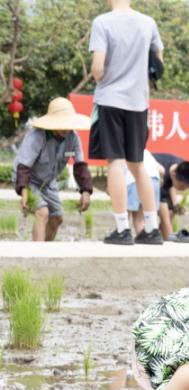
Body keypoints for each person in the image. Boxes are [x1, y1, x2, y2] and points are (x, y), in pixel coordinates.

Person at [88, 0, 164, 245]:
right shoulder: (148, 23)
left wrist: (106, 74)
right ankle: (152, 229)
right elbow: (158, 61)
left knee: (115, 163)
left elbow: (97, 69)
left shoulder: (102, 23)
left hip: (111, 99)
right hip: (138, 101)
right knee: (137, 164)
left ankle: (122, 229)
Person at [13, 97, 94, 242]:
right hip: (28, 179)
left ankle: (46, 250)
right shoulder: (36, 136)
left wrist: (86, 191)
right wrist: (24, 192)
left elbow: (80, 165)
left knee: (57, 218)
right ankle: (37, 255)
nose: (66, 128)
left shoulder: (73, 138)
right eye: (62, 124)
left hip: (49, 181)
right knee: (42, 212)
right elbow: (24, 167)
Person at [151, 152, 189, 240]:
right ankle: (168, 242)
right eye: (182, 187)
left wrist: (175, 203)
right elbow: (165, 220)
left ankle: (161, 239)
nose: (184, 189)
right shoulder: (161, 177)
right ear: (174, 175)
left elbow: (171, 183)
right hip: (142, 183)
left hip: (161, 183)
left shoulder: (180, 166)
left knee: (172, 211)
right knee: (166, 217)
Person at [124, 149, 162, 234]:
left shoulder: (121, 150)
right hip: (153, 180)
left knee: (126, 213)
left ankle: (122, 232)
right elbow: (162, 170)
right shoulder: (146, 152)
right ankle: (145, 236)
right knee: (140, 219)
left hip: (132, 180)